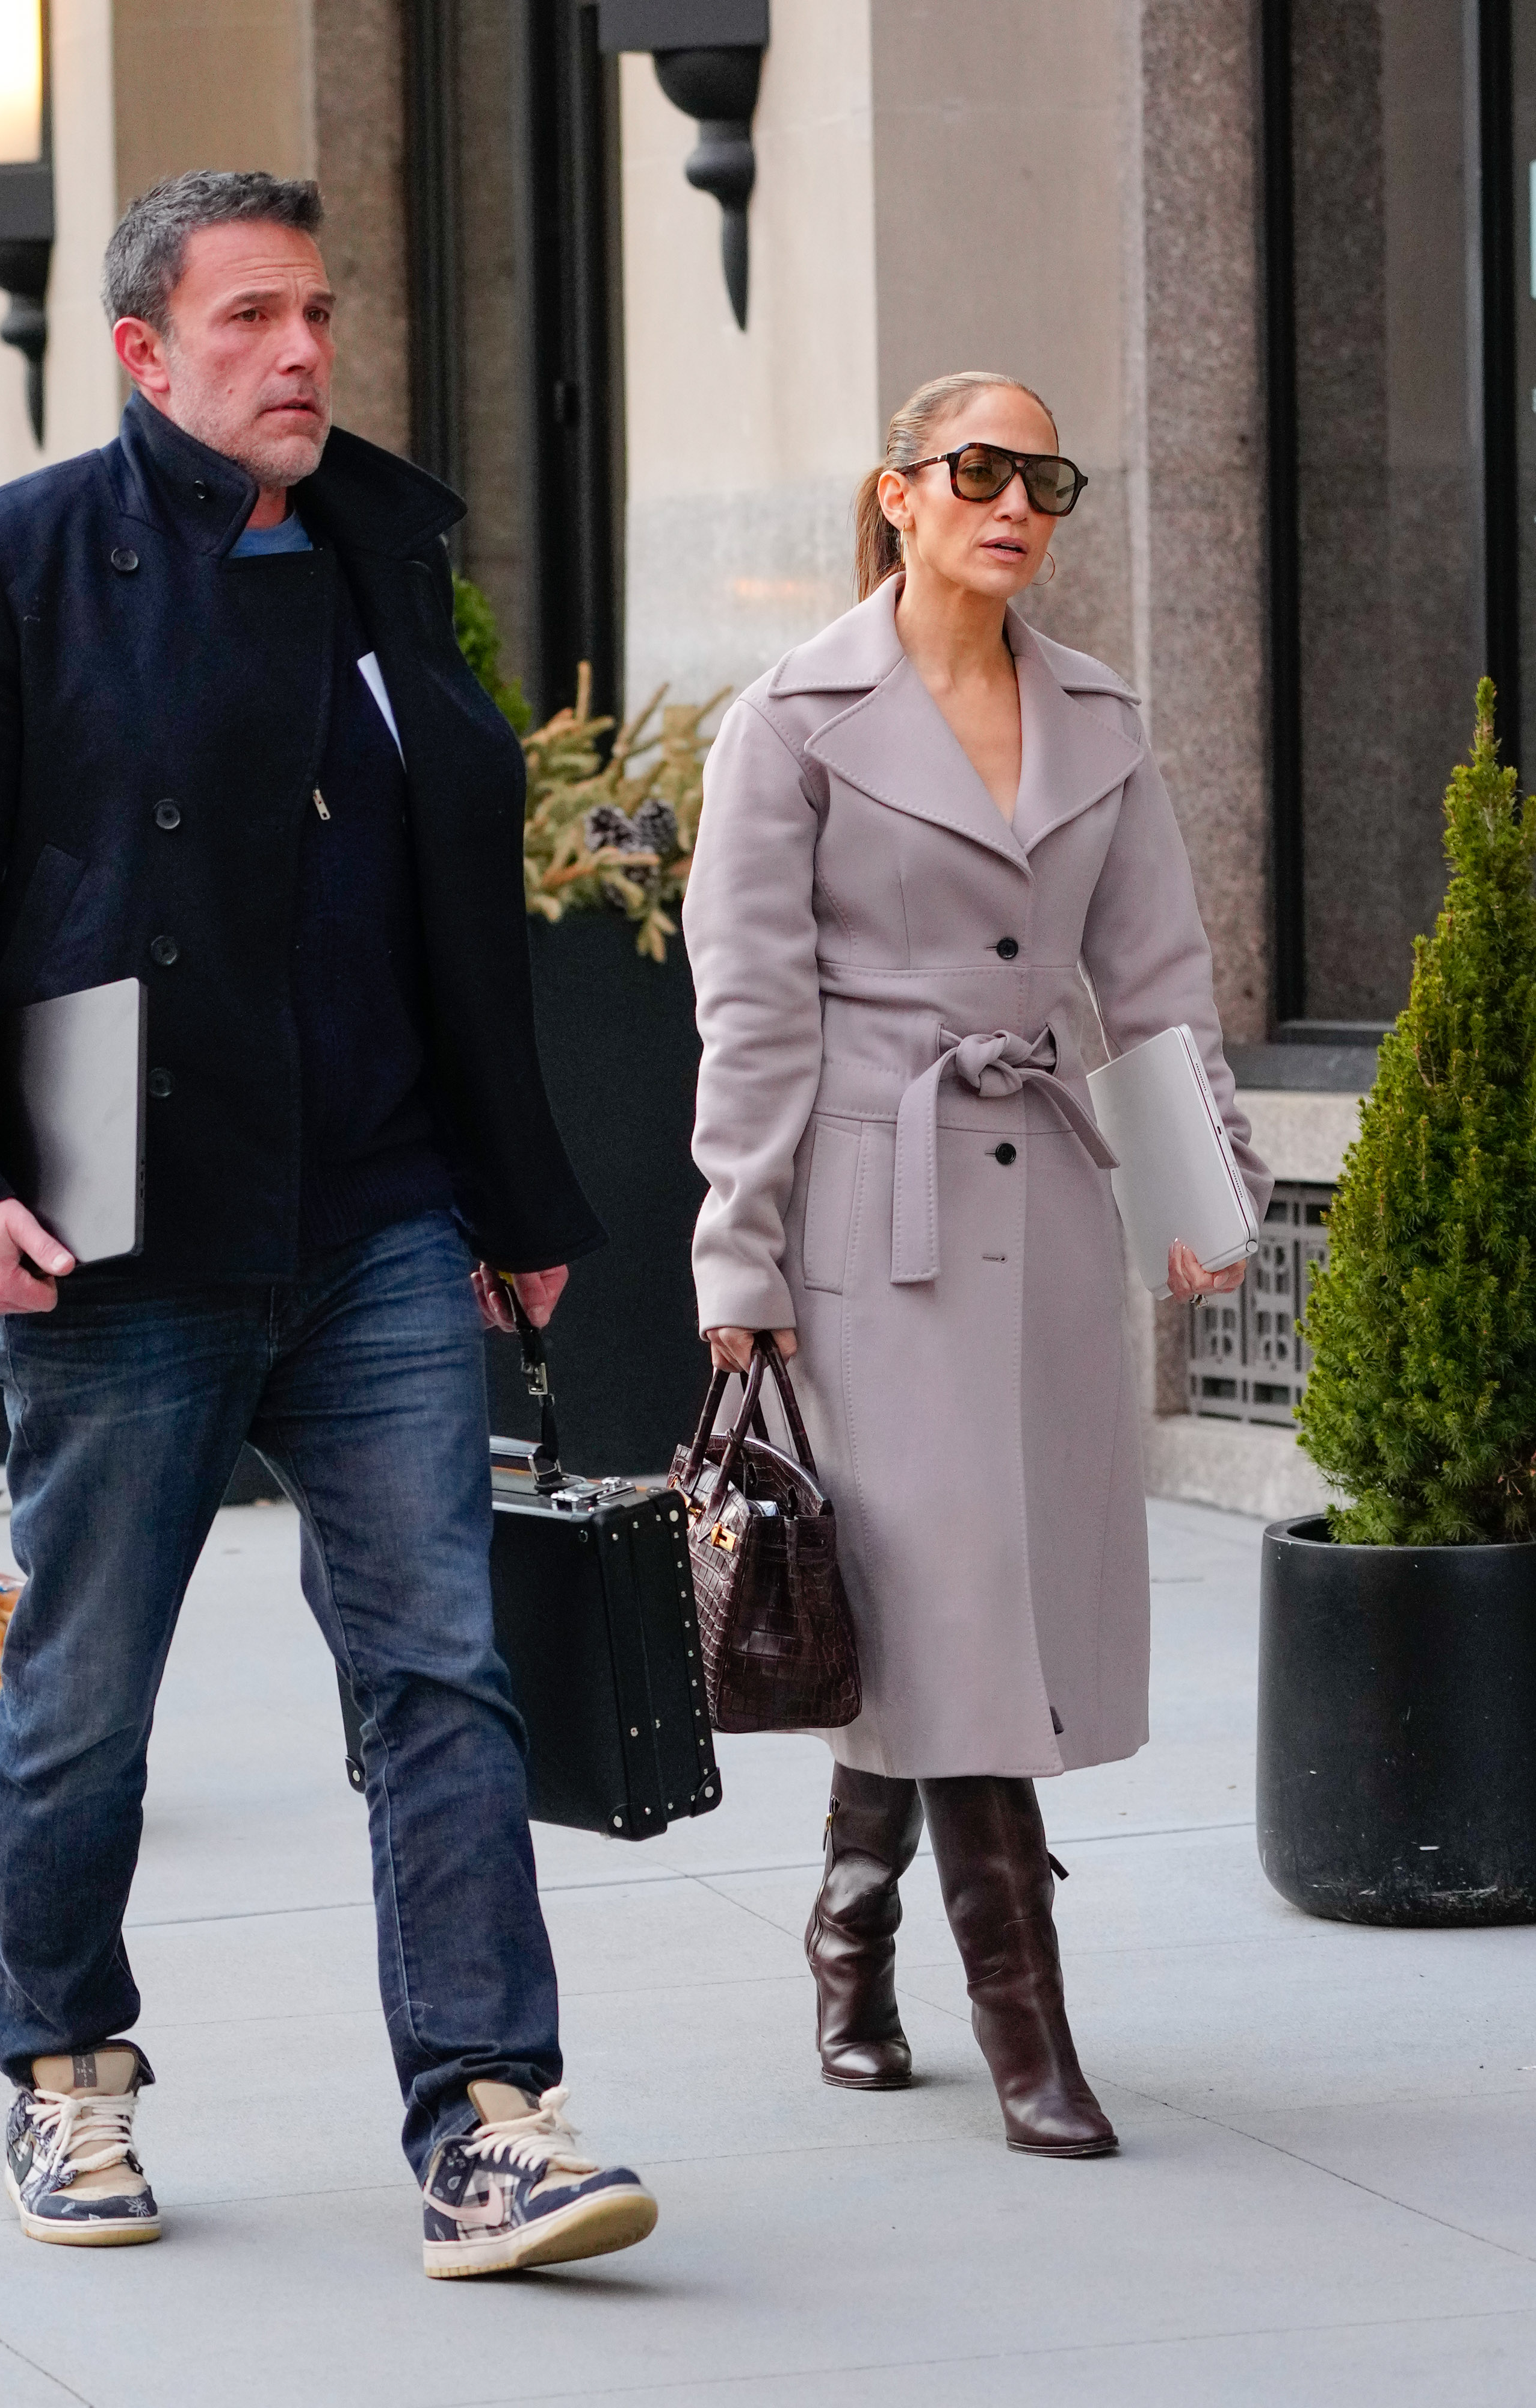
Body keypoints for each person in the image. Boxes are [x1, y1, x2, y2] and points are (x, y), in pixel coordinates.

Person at [0, 170, 658, 2276]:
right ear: (143, 354)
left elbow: (446, 916)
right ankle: (67, 2080)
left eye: (317, 313)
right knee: (92, 1692)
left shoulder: (387, 549)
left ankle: (490, 2118)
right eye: (250, 322)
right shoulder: (10, 562)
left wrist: (510, 1189)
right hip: (129, 1228)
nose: (301, 353)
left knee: (438, 1679)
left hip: (382, 1214)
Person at [681, 370, 1269, 2158]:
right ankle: (1031, 2039)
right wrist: (739, 1259)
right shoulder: (789, 722)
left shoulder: (1099, 715)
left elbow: (1155, 979)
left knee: (956, 1616)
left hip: (1050, 1220)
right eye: (979, 469)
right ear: (900, 493)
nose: (1016, 501)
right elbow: (753, 1013)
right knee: (952, 1612)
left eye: (1045, 476)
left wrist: (1207, 1192)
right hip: (875, 1219)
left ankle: (846, 1931)